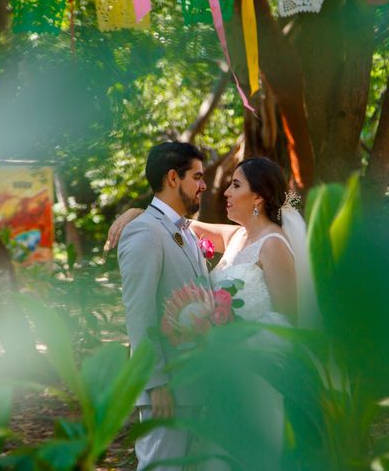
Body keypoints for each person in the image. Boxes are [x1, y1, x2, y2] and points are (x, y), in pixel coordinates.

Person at [109, 156, 319, 469]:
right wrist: (136, 211)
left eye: (236, 185)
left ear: (258, 196)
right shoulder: (235, 236)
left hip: (257, 378)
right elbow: (173, 222)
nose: (225, 193)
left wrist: (231, 337)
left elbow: (289, 325)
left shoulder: (274, 244)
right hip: (221, 380)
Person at [117, 141, 209, 471]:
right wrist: (155, 383)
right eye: (197, 177)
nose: (204, 185)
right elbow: (139, 314)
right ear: (173, 178)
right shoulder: (144, 231)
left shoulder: (185, 231)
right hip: (166, 387)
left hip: (193, 382)